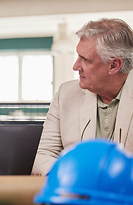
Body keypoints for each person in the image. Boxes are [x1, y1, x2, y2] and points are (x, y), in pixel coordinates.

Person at [32, 18, 133, 176]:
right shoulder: (65, 94)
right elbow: (43, 154)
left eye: (85, 59)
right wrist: (72, 177)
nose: (75, 66)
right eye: (78, 56)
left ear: (114, 65)